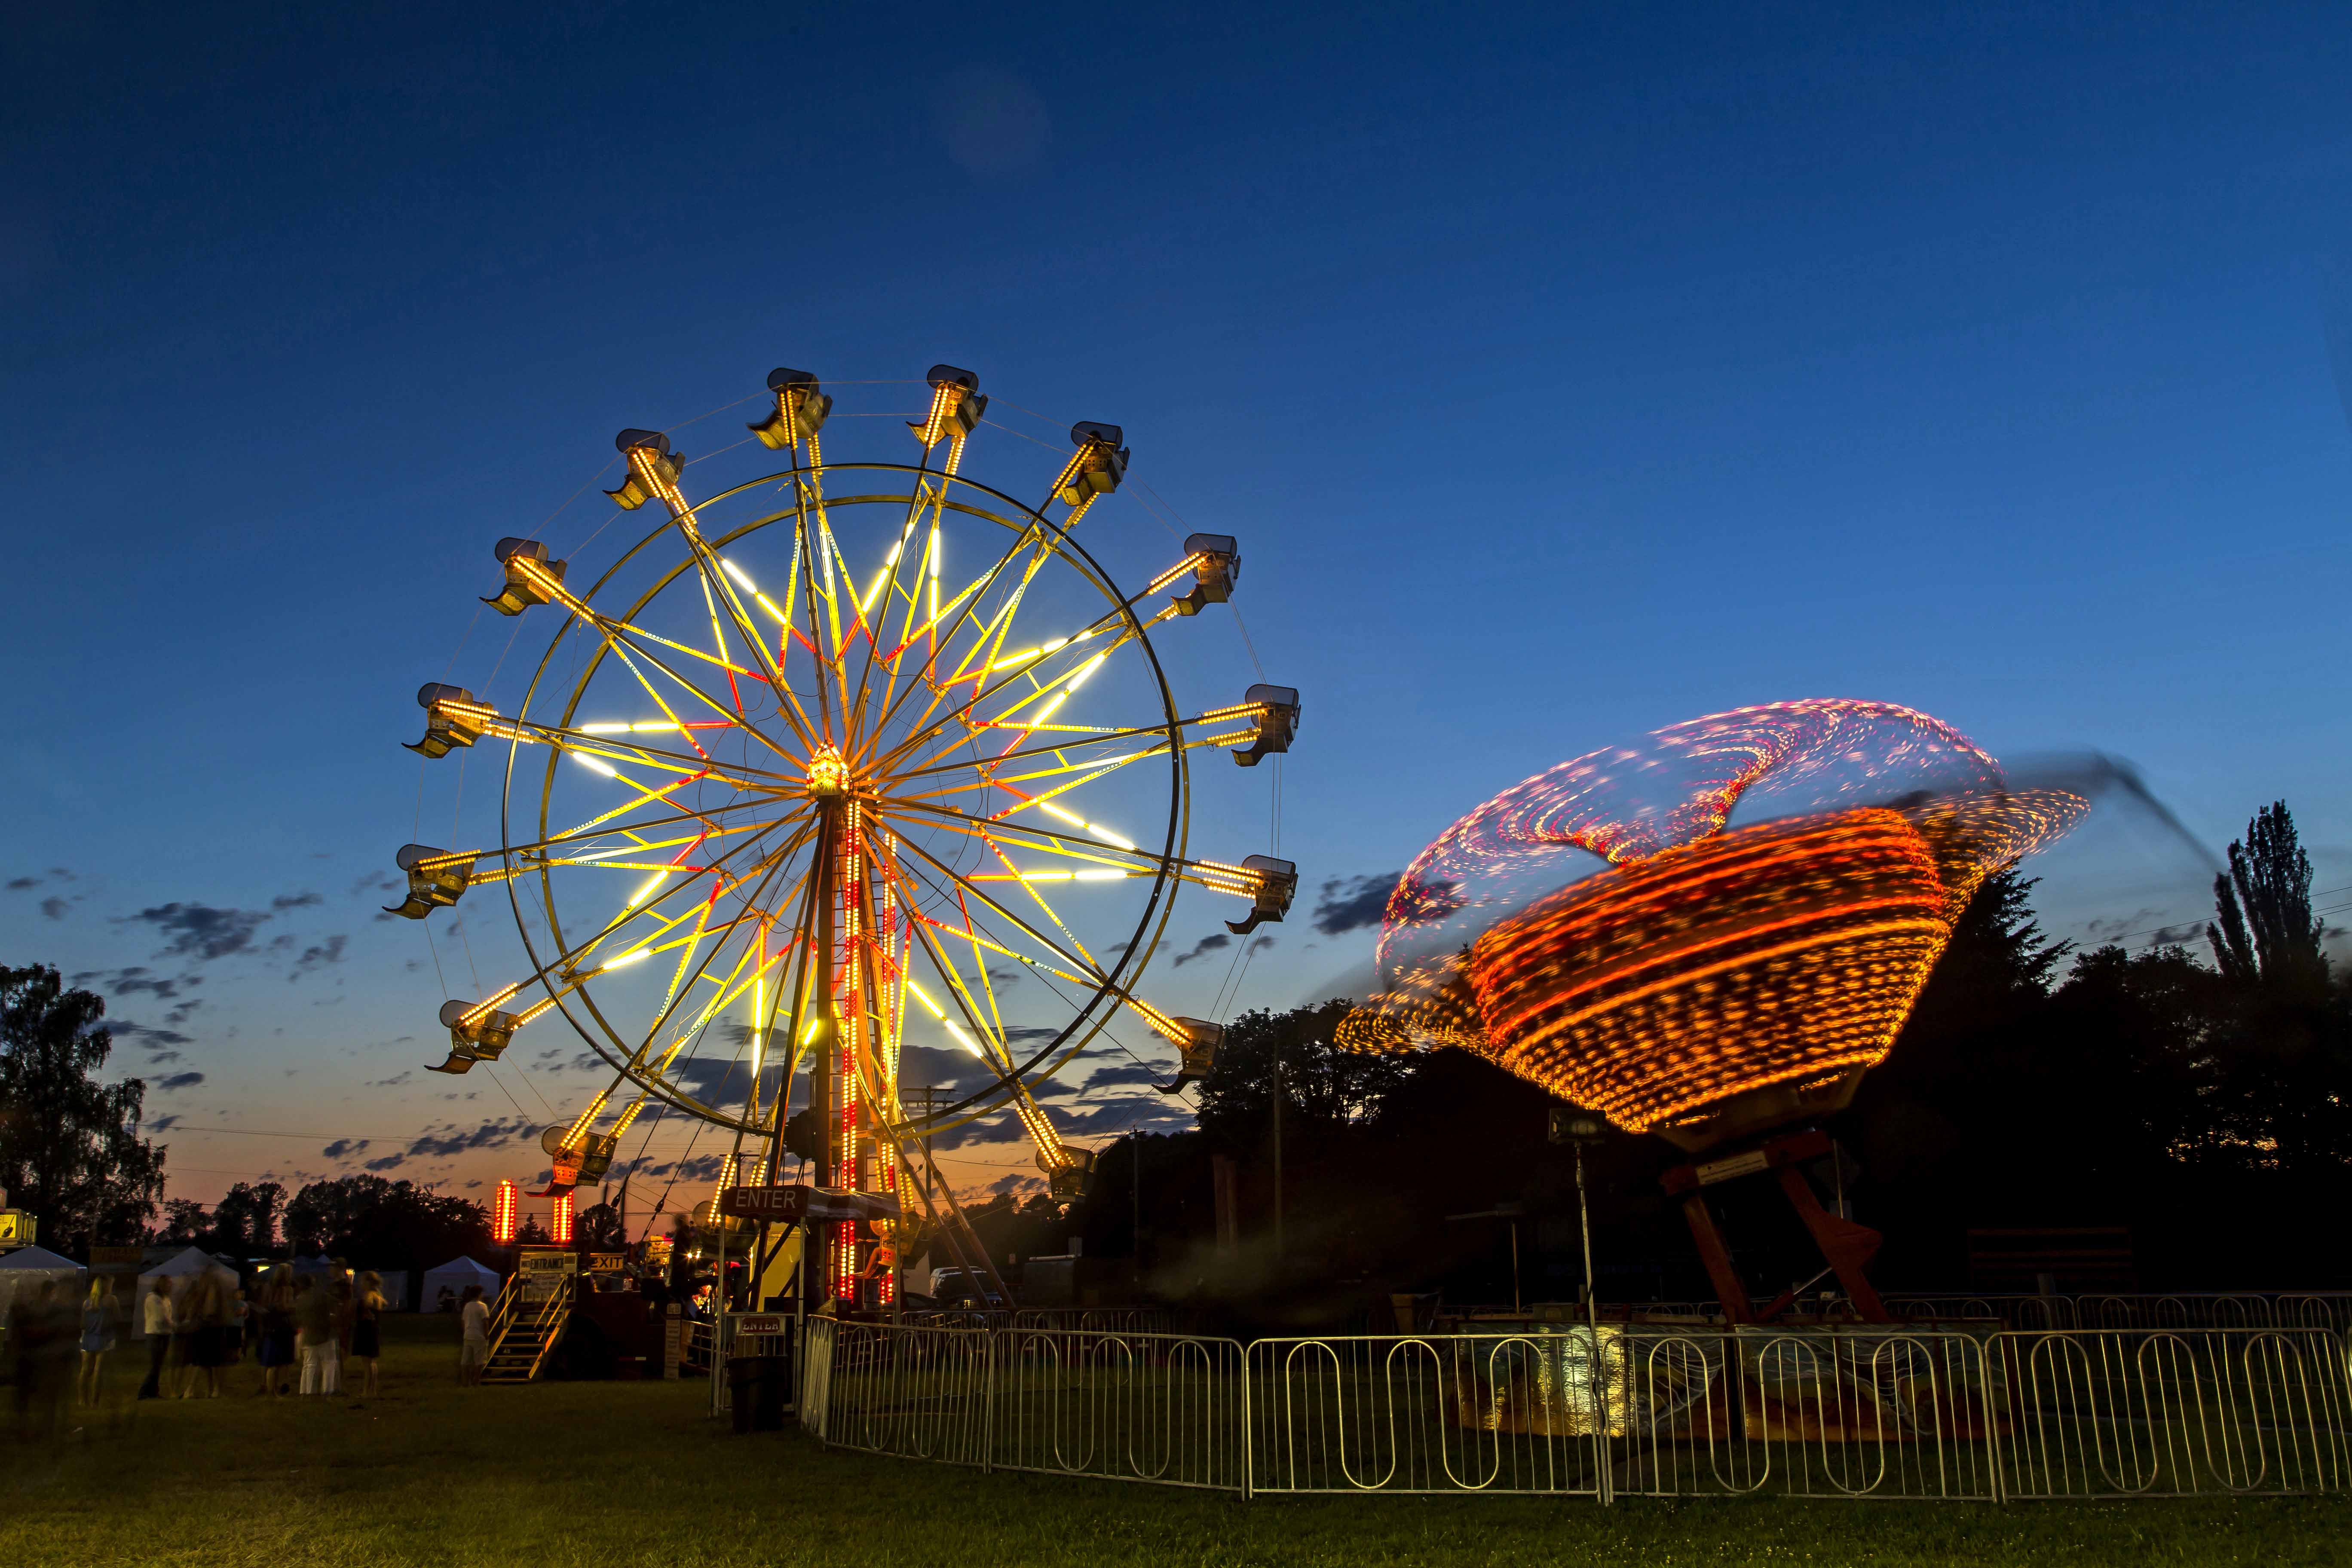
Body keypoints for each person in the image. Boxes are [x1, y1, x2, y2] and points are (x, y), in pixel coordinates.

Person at [77, 1278, 121, 1407]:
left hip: (88, 1338)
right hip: (104, 1337)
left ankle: (82, 1400)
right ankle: (95, 1402)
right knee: (98, 1370)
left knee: (85, 1370)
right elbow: (118, 1318)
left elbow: (82, 1324)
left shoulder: (87, 1302)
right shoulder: (112, 1300)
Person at [294, 1274, 339, 1396]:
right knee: (329, 1363)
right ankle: (327, 1390)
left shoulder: (299, 1300)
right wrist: (332, 1318)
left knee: (309, 1364)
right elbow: (337, 1304)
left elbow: (297, 1317)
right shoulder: (321, 1296)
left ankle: (307, 1391)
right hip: (325, 1334)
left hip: (308, 1334)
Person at [255, 1267, 296, 1397]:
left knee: (271, 1362)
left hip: (270, 1327)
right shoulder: (287, 1289)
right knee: (279, 1362)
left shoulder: (268, 1288)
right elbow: (285, 1307)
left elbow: (263, 1306)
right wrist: (293, 1307)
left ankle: (269, 1389)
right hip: (282, 1327)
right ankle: (275, 1390)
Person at [349, 1272, 386, 1400]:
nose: (361, 1284)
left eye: (363, 1281)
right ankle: (372, 1391)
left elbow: (368, 1304)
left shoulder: (370, 1294)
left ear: (369, 1282)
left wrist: (362, 1307)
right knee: (372, 1362)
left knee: (367, 1364)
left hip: (366, 1330)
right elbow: (384, 1304)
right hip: (373, 1330)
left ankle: (366, 1392)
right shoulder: (378, 1295)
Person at [135, 1277, 174, 1399]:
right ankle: (143, 1392)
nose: (170, 1287)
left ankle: (153, 1392)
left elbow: (167, 1316)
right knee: (155, 1365)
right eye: (168, 1284)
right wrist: (175, 1326)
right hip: (155, 1334)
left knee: (158, 1365)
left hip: (164, 1334)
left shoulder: (165, 1298)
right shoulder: (154, 1298)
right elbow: (161, 1317)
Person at [458, 1284, 490, 1385]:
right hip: (479, 1336)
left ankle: (465, 1382)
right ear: (479, 1294)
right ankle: (476, 1380)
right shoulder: (483, 1306)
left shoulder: (467, 1306)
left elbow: (463, 1321)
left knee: (465, 1361)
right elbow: (485, 1322)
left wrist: (465, 1332)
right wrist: (487, 1335)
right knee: (479, 1361)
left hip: (468, 1335)